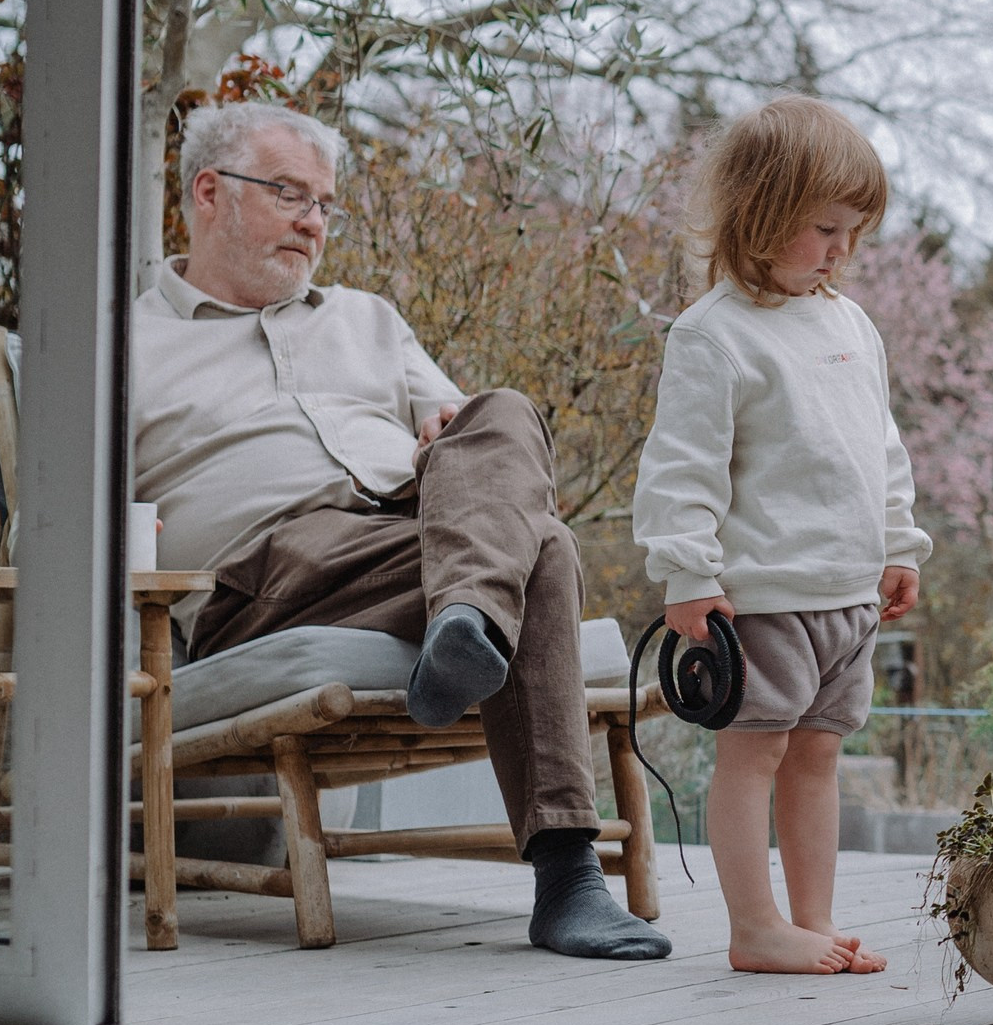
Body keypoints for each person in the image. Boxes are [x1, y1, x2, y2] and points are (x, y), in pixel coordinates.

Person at [135, 102, 669, 961]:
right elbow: (58, 525)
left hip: (410, 539)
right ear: (208, 191)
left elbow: (467, 431)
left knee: (505, 412)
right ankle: (567, 876)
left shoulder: (368, 318)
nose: (313, 221)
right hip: (266, 571)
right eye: (288, 193)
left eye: (324, 203)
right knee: (545, 547)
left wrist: (452, 442)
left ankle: (467, 623)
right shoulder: (125, 345)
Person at [631, 98, 928, 976]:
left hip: (846, 599)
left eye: (854, 231)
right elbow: (681, 468)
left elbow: (882, 446)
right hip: (759, 597)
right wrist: (686, 572)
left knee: (818, 760)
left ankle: (815, 921)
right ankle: (755, 927)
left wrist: (897, 543)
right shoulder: (713, 335)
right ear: (758, 214)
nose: (841, 249)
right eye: (823, 227)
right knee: (753, 753)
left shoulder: (850, 323)